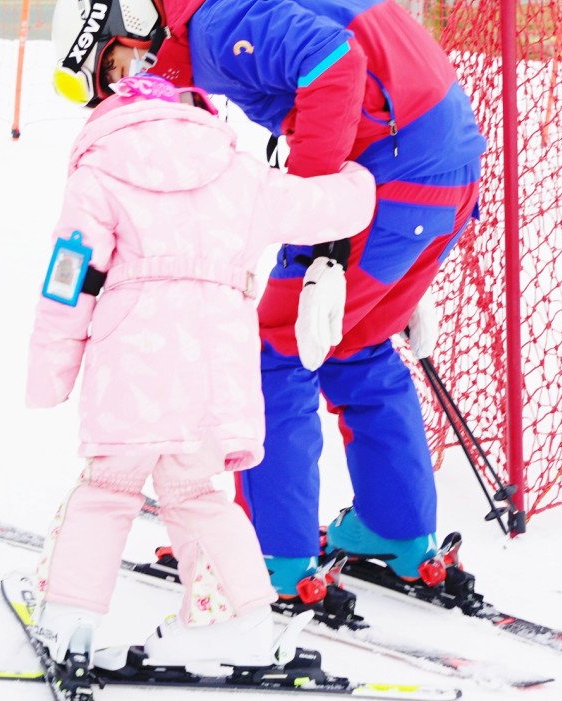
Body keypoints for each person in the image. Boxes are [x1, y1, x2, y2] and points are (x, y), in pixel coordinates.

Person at [48, 0, 486, 605]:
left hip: (390, 172)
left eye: (117, 71)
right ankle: (395, 528)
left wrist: (326, 248)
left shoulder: (219, 21)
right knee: (355, 343)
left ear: (131, 33)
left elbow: (334, 65)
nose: (132, 91)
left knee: (273, 351)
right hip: (436, 167)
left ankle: (269, 550)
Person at [27, 56, 376, 670]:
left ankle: (71, 620)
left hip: (131, 365)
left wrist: (52, 370)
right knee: (196, 494)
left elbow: (69, 278)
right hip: (215, 368)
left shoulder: (100, 173)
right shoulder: (238, 173)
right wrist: (358, 178)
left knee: (107, 489)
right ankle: (237, 623)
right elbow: (327, 207)